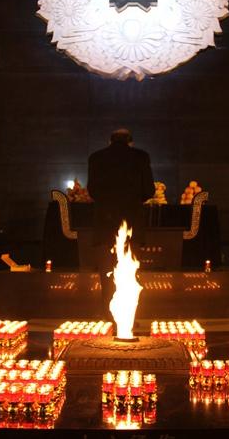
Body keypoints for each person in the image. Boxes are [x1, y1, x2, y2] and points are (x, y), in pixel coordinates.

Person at [87, 129, 155, 318]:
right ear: (130, 142)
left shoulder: (96, 157)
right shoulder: (141, 157)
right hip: (132, 222)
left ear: (109, 141)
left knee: (107, 275)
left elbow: (92, 191)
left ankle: (108, 318)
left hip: (104, 223)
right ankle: (131, 320)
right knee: (131, 273)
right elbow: (149, 190)